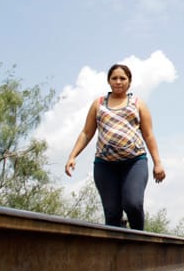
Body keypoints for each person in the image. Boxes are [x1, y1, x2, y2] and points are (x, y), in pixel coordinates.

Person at [65, 64, 166, 230]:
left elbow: (148, 135)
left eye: (122, 78)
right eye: (114, 78)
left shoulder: (137, 104)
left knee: (133, 204)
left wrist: (158, 163)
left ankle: (138, 240)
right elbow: (86, 133)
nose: (118, 82)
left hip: (134, 162)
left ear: (129, 82)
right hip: (105, 164)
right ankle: (116, 251)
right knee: (112, 213)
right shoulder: (98, 104)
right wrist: (72, 156)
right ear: (109, 81)